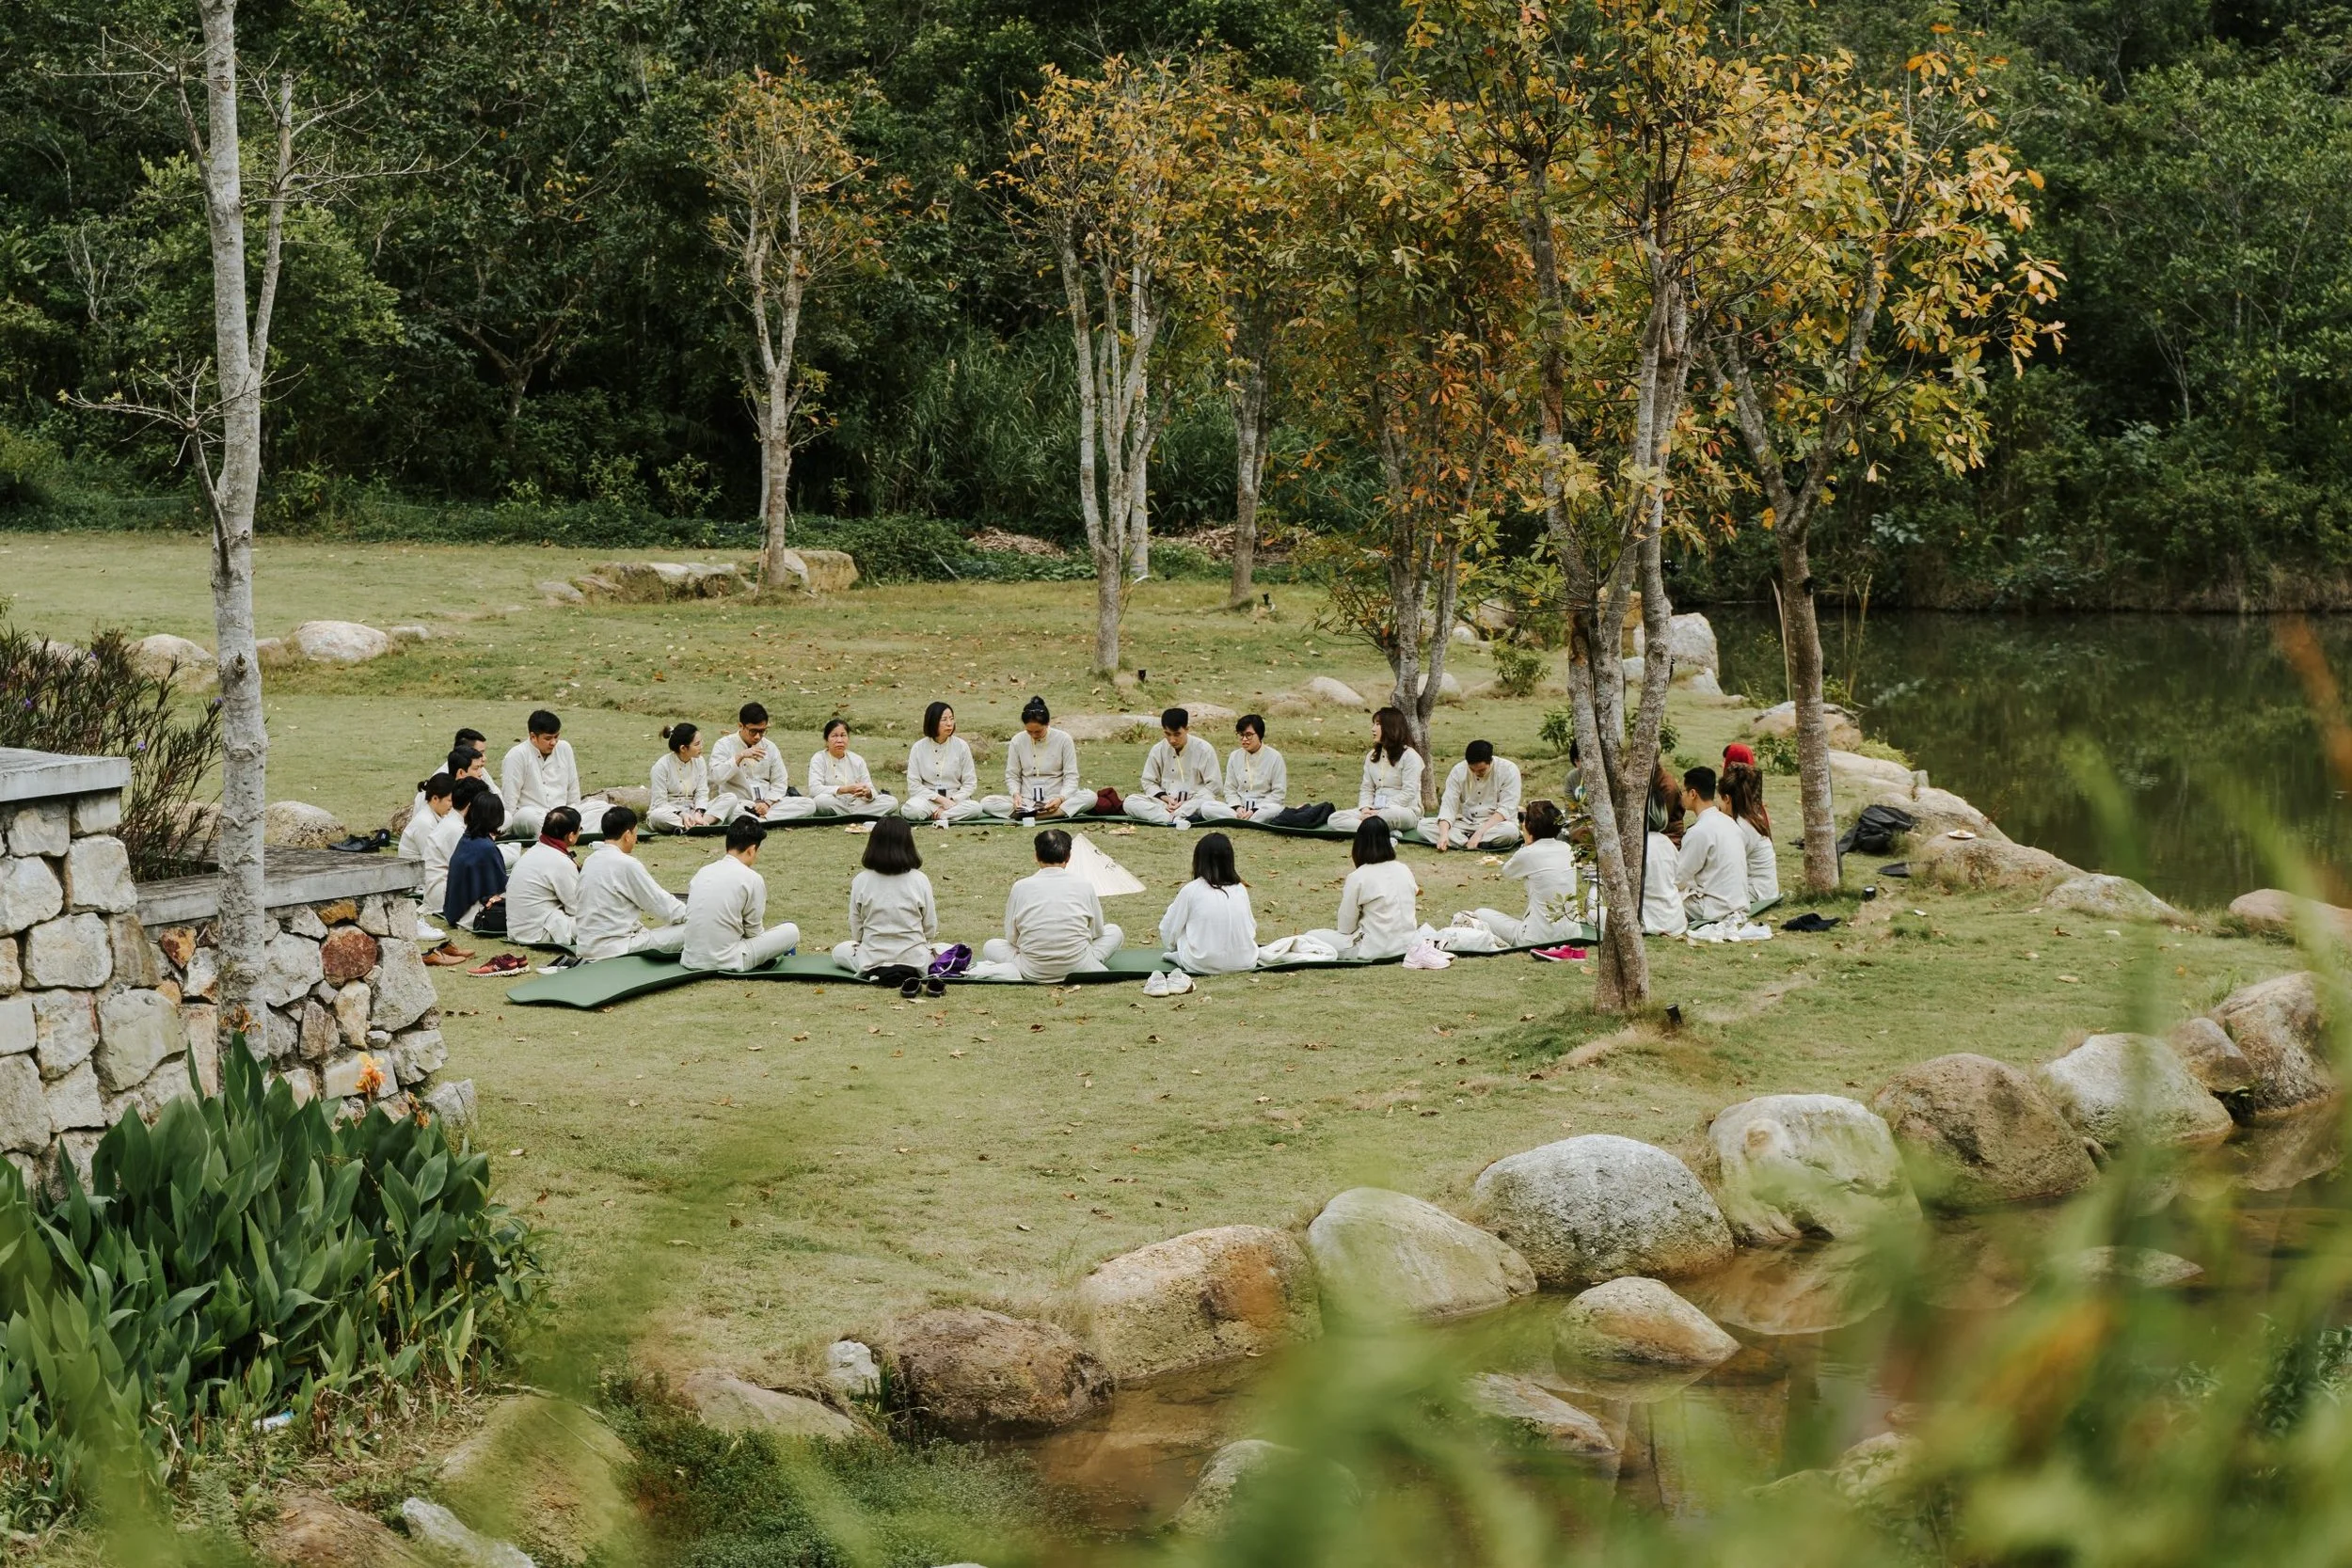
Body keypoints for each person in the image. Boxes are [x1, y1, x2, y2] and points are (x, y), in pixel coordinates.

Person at [972, 828, 1124, 982]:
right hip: (1080, 966)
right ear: (1068, 857)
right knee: (1114, 931)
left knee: (991, 946)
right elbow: (1097, 931)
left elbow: (1011, 936)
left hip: (1032, 969)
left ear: (1036, 856)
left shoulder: (1021, 886)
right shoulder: (1084, 885)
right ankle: (1085, 963)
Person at [682, 816, 800, 972]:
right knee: (791, 931)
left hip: (690, 958)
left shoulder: (703, 872)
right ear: (751, 850)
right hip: (728, 960)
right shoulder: (752, 878)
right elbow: (753, 932)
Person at [573, 805, 689, 961]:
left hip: (587, 947)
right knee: (695, 928)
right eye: (635, 833)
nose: (636, 839)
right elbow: (662, 905)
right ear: (627, 835)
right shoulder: (627, 864)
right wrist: (695, 914)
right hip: (617, 948)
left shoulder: (590, 860)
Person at [831, 816, 943, 974]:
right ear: (908, 844)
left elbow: (857, 930)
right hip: (915, 960)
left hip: (872, 959)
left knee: (840, 950)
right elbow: (929, 928)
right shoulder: (920, 879)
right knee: (947, 949)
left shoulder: (861, 880)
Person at [1300, 817, 1422, 959]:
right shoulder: (1404, 869)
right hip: (1409, 945)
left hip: (1374, 949)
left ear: (1359, 844)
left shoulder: (1358, 876)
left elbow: (1345, 928)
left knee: (1311, 936)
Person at [1468, 800, 1581, 945]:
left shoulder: (1528, 852)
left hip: (1535, 938)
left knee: (1480, 913)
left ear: (1528, 827)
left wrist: (1527, 843)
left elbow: (1507, 872)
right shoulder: (1567, 848)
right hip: (1572, 934)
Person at [1158, 832, 1258, 974]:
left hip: (1203, 964)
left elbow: (1169, 930)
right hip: (1246, 961)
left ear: (1199, 860)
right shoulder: (1240, 889)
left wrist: (1172, 946)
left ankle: (1182, 956)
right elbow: (1251, 927)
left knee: (1180, 922)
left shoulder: (1191, 890)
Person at [982, 697, 1088, 820]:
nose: (1033, 735)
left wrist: (1061, 798)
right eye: (1029, 731)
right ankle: (1042, 814)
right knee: (986, 802)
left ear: (1047, 724)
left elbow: (1071, 776)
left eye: (1038, 732)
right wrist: (1016, 795)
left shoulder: (1064, 739)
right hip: (1026, 801)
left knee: (1090, 797)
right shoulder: (1017, 741)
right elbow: (1012, 775)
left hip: (1056, 799)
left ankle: (1035, 816)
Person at [711, 702, 817, 821]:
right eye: (753, 731)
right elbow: (717, 777)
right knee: (735, 812)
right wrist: (740, 756)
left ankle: (761, 820)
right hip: (741, 804)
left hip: (767, 805)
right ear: (740, 726)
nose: (757, 736)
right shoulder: (723, 745)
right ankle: (758, 820)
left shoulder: (769, 747)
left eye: (762, 731)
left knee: (809, 805)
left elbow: (780, 781)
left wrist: (767, 803)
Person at [1129, 707, 1232, 828]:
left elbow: (1215, 786)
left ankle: (1175, 816)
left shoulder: (1204, 749)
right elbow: (1148, 781)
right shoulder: (1158, 749)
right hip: (1166, 804)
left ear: (1187, 730)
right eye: (1168, 734)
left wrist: (1188, 803)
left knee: (1208, 806)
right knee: (1130, 801)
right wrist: (1166, 798)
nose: (1172, 740)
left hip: (1195, 804)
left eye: (1177, 734)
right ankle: (1172, 818)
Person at [1328, 707, 1424, 835]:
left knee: (1391, 814)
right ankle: (1384, 832)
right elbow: (1367, 788)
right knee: (1334, 819)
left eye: (1378, 725)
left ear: (1391, 728)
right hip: (1373, 810)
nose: (1373, 729)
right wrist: (1366, 809)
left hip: (1403, 811)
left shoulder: (1410, 756)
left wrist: (1380, 811)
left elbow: (1409, 793)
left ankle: (1373, 827)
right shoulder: (1371, 756)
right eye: (1374, 724)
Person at [1675, 766, 1749, 927]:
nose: (1682, 796)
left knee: (1660, 902)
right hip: (1738, 902)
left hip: (1713, 906)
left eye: (1683, 791)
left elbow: (1679, 878)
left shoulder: (1699, 831)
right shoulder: (1731, 823)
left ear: (1693, 794)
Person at [506, 805, 584, 947]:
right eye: (580, 829)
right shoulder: (560, 862)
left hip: (518, 930)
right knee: (602, 920)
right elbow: (577, 908)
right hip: (540, 932)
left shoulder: (534, 852)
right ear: (571, 836)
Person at [500, 709, 583, 840]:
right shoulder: (516, 755)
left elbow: (573, 788)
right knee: (537, 819)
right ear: (533, 737)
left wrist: (575, 813)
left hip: (562, 814)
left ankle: (569, 828)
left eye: (556, 737)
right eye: (548, 738)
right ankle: (567, 833)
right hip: (529, 815)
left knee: (601, 809)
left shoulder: (564, 748)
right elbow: (510, 798)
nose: (554, 742)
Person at [648, 722, 744, 832]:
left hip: (694, 810)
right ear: (683, 748)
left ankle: (697, 824)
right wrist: (682, 814)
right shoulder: (661, 766)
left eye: (701, 742)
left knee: (731, 798)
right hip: (671, 812)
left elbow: (702, 792)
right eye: (697, 744)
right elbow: (660, 803)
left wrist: (698, 812)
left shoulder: (699, 761)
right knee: (656, 816)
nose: (701, 746)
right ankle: (693, 825)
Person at [901, 702, 983, 825]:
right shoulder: (918, 747)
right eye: (944, 719)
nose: (949, 724)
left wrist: (950, 801)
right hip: (927, 799)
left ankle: (941, 815)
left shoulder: (962, 746)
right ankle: (938, 813)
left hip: (954, 800)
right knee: (912, 810)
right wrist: (940, 800)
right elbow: (914, 786)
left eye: (951, 719)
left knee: (976, 808)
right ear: (932, 722)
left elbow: (970, 783)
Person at [1434, 740, 1523, 850]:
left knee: (1510, 832)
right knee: (1424, 826)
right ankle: (1478, 842)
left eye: (1481, 770)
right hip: (1467, 824)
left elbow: (1505, 810)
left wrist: (1479, 834)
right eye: (1472, 769)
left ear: (1490, 761)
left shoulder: (1508, 770)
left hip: (1495, 825)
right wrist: (1443, 834)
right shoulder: (1458, 771)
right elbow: (1448, 806)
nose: (1476, 773)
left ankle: (1465, 841)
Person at [444, 791, 511, 936]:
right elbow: (498, 888)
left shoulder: (467, 838)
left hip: (457, 910)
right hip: (473, 914)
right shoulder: (486, 848)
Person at [806, 719, 897, 817]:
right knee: (819, 801)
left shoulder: (857, 760)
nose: (839, 740)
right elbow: (814, 789)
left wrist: (868, 793)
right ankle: (859, 815)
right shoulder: (819, 758)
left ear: (848, 738)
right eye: (834, 736)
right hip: (832, 801)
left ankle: (847, 815)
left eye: (843, 735)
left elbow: (871, 789)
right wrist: (843, 790)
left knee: (891, 801)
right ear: (826, 740)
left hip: (857, 803)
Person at [1723, 760, 1780, 910]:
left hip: (1757, 892)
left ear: (1727, 799)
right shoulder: (1750, 818)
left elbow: (1729, 865)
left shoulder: (1743, 827)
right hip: (1765, 889)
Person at [410, 729, 485, 820]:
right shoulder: (443, 791)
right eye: (476, 768)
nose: (481, 773)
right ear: (461, 772)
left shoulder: (466, 784)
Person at [1223, 715, 1286, 820]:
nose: (1244, 739)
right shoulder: (1234, 756)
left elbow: (1278, 793)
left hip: (1263, 808)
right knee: (1207, 807)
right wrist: (1237, 807)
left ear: (1259, 734)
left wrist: (1255, 810)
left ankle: (1244, 819)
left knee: (1275, 810)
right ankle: (1244, 818)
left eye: (1249, 735)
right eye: (1241, 735)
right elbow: (1229, 789)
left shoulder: (1275, 757)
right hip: (1239, 808)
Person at [1640, 828, 1688, 937]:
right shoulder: (1666, 840)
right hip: (1675, 921)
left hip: (1649, 920)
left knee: (1594, 914)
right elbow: (1679, 876)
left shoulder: (1639, 842)